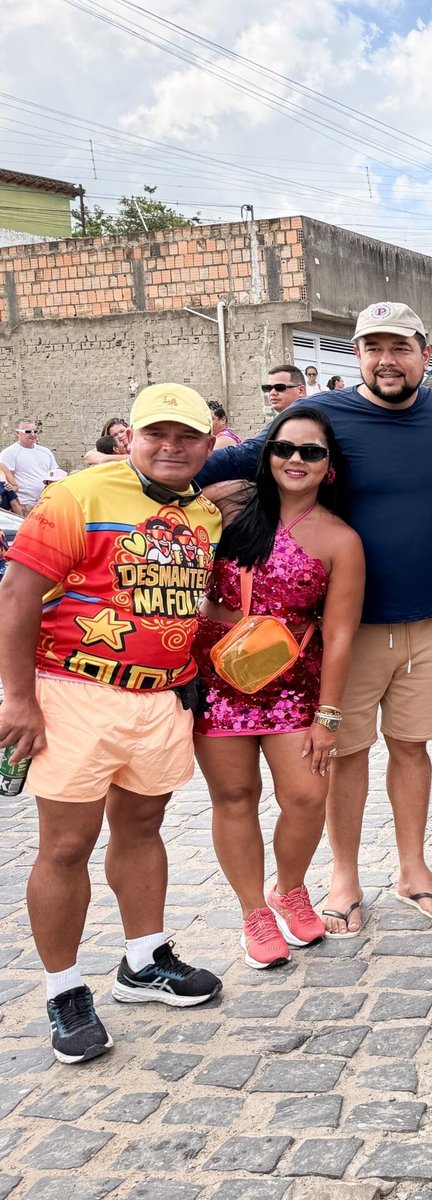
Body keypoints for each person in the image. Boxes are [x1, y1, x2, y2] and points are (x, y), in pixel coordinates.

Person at [199, 302, 432, 934]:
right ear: (356, 354)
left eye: (400, 346)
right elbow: (216, 466)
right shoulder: (320, 420)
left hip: (428, 620)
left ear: (425, 350)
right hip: (340, 634)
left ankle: (413, 868)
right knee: (346, 753)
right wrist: (121, 475)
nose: (387, 359)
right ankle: (344, 875)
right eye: (372, 346)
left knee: (413, 748)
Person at [0, 384, 226, 1065]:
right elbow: (17, 593)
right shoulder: (80, 496)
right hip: (73, 690)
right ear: (129, 437)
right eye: (157, 434)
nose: (172, 446)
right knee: (66, 845)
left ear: (209, 445)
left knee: (143, 828)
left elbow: (183, 603)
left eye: (187, 436)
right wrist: (16, 698)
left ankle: (143, 958)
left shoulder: (206, 515)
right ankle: (63, 990)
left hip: (160, 697)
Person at [193, 409, 364, 967]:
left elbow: (339, 636)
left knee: (306, 797)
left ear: (329, 466)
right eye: (285, 448)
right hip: (219, 679)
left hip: (295, 686)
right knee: (235, 797)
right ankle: (253, 912)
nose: (296, 460)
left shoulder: (341, 539)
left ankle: (289, 888)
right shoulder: (227, 511)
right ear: (267, 456)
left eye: (311, 452)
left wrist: (328, 716)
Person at [1, 420, 61, 512]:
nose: (33, 434)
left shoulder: (45, 451)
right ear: (17, 433)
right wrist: (16, 505)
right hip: (25, 503)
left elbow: (55, 474)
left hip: (46, 502)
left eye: (35, 431)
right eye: (28, 432)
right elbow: (9, 483)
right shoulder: (9, 453)